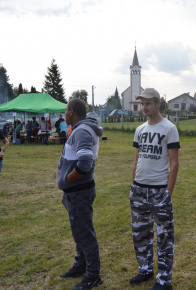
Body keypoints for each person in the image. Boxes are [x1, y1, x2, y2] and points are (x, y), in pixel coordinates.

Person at [129, 88, 180, 290]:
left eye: (148, 103)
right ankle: (145, 269)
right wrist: (133, 185)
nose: (144, 107)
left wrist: (168, 193)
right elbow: (136, 160)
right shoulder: (140, 130)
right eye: (142, 103)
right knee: (140, 233)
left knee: (164, 235)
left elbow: (174, 165)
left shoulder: (169, 128)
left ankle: (164, 279)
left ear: (158, 103)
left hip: (160, 190)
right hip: (139, 190)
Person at [56, 98, 103, 290]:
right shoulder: (81, 129)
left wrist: (67, 180)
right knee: (79, 232)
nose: (65, 113)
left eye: (66, 110)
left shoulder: (82, 131)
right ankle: (80, 265)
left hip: (79, 192)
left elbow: (85, 163)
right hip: (75, 192)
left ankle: (93, 276)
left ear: (72, 112)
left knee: (85, 234)